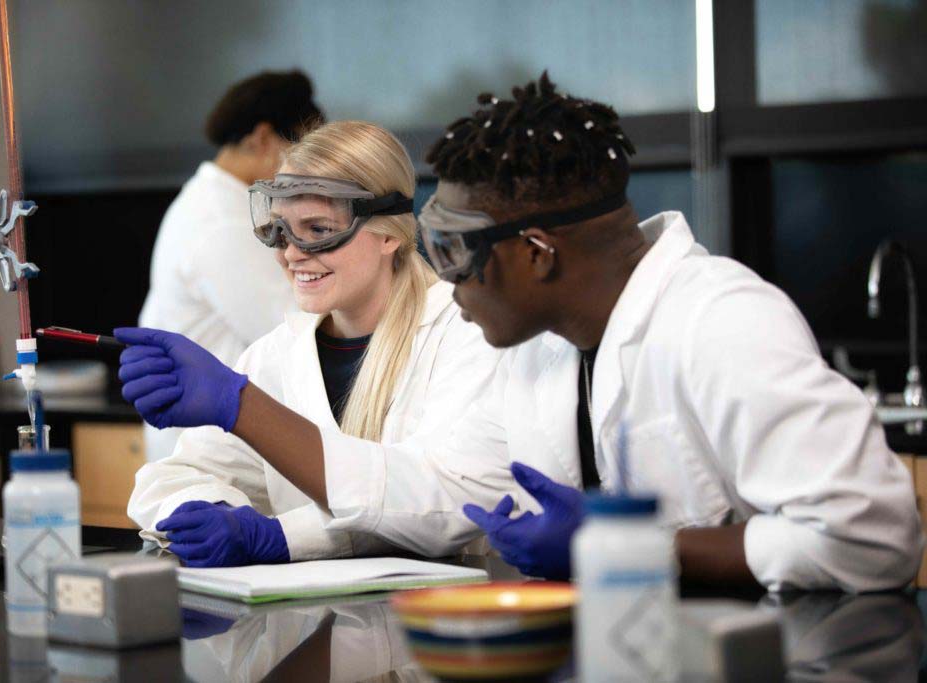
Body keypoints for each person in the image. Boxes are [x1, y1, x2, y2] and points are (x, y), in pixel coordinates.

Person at [116, 74, 921, 592]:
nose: (446, 277)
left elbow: (875, 537)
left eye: (460, 252)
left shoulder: (720, 322)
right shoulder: (542, 351)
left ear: (537, 252)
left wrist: (634, 550)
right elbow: (445, 491)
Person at [121, 120, 502, 566]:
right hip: (314, 625)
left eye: (318, 230)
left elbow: (443, 502)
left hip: (438, 619)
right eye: (281, 229)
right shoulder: (277, 354)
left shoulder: (463, 334)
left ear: (388, 234)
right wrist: (204, 507)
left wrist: (282, 537)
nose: (290, 253)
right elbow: (175, 476)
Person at [137, 70, 322, 462]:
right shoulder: (221, 221)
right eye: (300, 149)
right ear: (262, 138)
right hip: (209, 450)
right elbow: (289, 328)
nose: (306, 170)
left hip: (217, 435)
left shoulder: (215, 203)